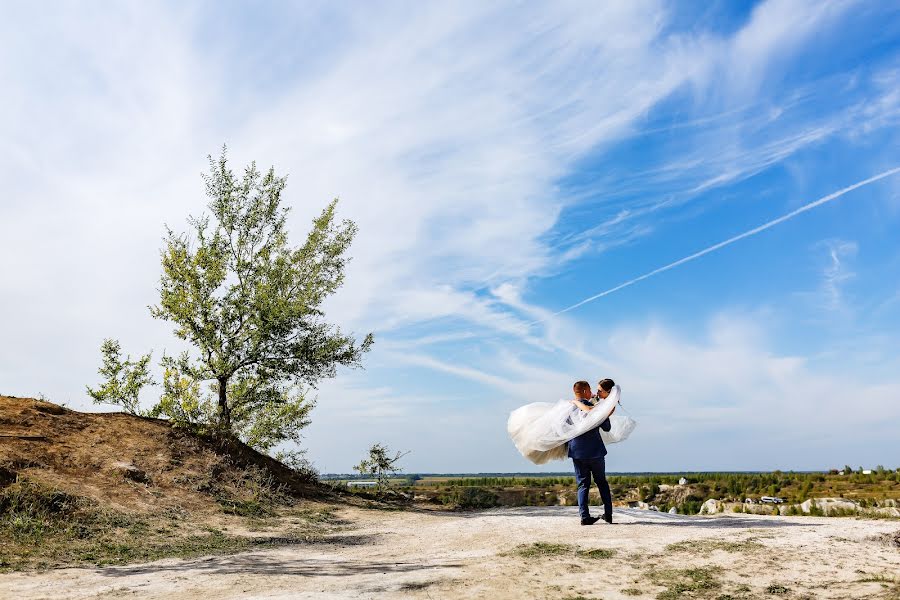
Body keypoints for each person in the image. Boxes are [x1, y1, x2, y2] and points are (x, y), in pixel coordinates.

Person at [568, 379, 616, 525]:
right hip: (595, 452)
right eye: (589, 390)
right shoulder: (593, 407)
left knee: (582, 484)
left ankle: (584, 517)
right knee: (602, 483)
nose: (592, 393)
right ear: (583, 391)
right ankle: (608, 514)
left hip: (576, 452)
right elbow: (606, 427)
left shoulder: (568, 409)